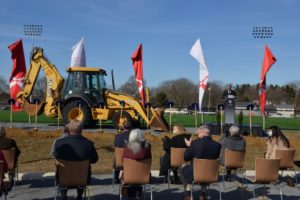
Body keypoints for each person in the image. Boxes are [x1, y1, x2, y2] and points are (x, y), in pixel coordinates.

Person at [53, 120, 98, 200]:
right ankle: (79, 196)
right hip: (83, 179)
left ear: (69, 129)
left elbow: (56, 157)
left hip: (63, 178)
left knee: (62, 169)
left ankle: (63, 196)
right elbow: (94, 160)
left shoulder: (59, 143)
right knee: (83, 170)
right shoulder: (89, 144)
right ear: (81, 130)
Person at [180, 125, 221, 200]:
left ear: (202, 132)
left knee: (182, 168)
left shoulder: (195, 143)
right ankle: (203, 194)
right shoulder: (218, 145)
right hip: (211, 173)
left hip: (196, 174)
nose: (198, 135)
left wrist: (189, 146)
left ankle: (188, 194)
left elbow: (186, 158)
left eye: (198, 133)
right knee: (205, 169)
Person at [120, 129, 151, 199]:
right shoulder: (147, 147)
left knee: (127, 175)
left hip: (128, 176)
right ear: (142, 137)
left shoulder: (126, 147)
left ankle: (132, 193)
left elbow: (122, 161)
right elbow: (150, 159)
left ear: (131, 137)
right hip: (144, 176)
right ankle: (137, 191)